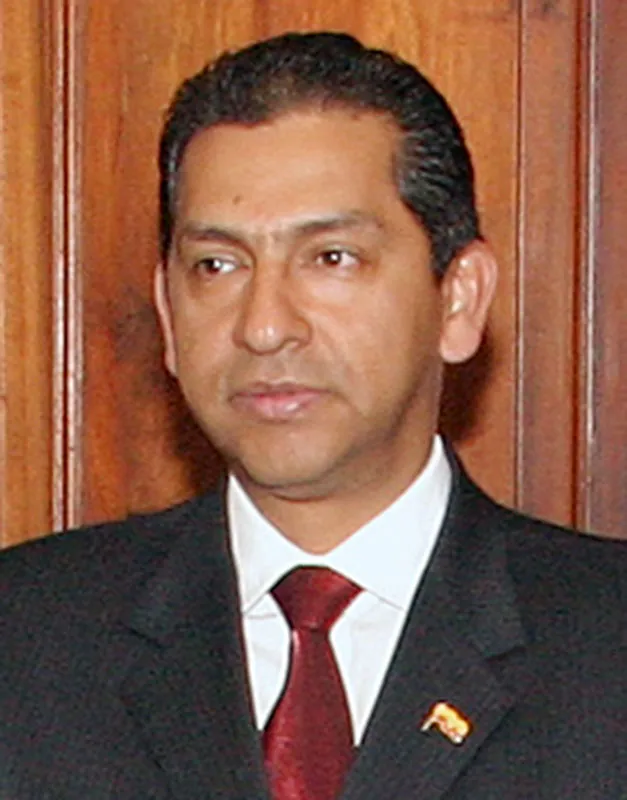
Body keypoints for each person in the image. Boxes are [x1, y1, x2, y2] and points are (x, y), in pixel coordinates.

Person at [0, 32, 625, 800]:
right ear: (167, 311)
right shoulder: (26, 640)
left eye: (331, 258)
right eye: (217, 266)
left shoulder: (605, 644)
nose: (264, 326)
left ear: (458, 299)